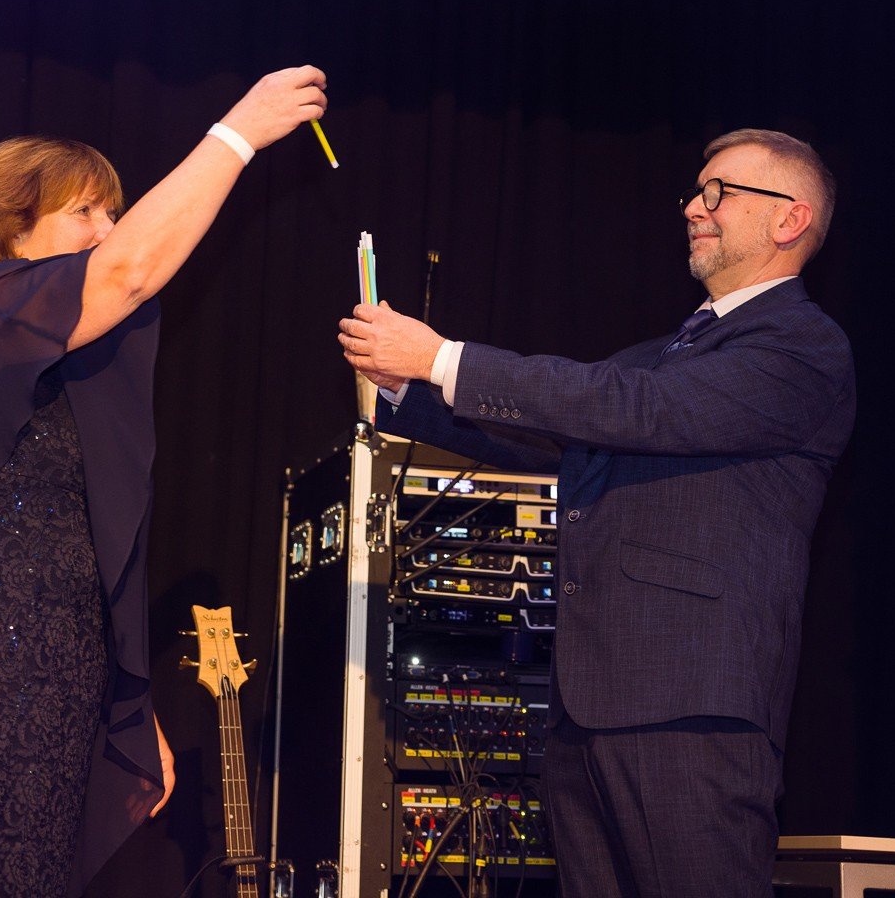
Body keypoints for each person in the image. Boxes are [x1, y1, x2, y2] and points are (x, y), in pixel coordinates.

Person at [0, 65, 327, 897]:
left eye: (112, 213)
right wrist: (239, 133)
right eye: (84, 211)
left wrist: (130, 703)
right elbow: (129, 270)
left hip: (50, 652)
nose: (107, 229)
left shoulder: (81, 366)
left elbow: (90, 541)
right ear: (10, 230)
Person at [337, 129, 855, 898]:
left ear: (790, 218)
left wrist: (442, 357)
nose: (693, 208)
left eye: (719, 192)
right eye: (695, 192)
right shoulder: (660, 355)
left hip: (689, 712)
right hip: (586, 713)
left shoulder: (801, 347)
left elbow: (635, 407)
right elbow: (555, 434)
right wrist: (404, 387)